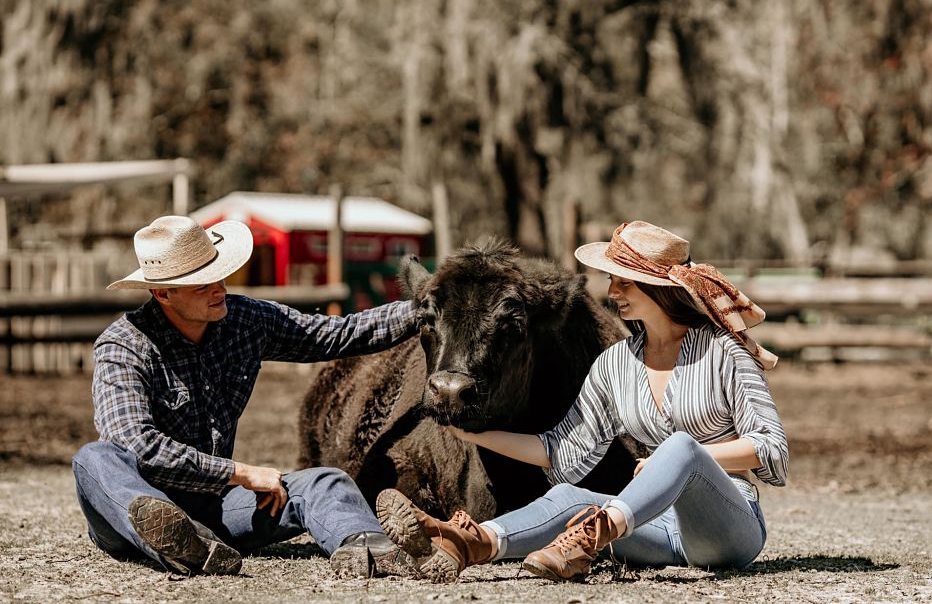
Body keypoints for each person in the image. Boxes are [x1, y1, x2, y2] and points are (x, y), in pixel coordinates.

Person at [376, 220, 788, 582]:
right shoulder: (616, 363)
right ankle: (468, 542)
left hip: (726, 530)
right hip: (653, 526)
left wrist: (683, 461)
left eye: (624, 280)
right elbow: (561, 450)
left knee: (680, 448)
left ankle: (593, 534)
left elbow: (771, 448)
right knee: (566, 496)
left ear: (658, 288)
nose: (612, 291)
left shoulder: (725, 352)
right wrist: (470, 432)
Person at [72, 215, 420, 578]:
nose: (219, 289)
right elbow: (136, 445)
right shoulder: (123, 347)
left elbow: (336, 334)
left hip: (214, 505)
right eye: (201, 285)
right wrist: (240, 472)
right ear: (163, 293)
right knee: (93, 458)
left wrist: (429, 305)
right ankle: (174, 535)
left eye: (218, 276)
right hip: (127, 506)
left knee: (324, 482)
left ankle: (365, 545)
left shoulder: (245, 321)